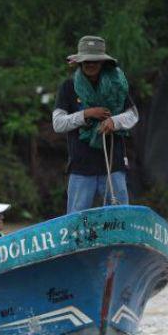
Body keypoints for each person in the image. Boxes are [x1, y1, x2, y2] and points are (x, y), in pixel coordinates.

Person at [53, 35, 139, 213]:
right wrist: (86, 114)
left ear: (103, 63)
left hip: (112, 165)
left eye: (94, 61)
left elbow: (133, 115)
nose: (90, 65)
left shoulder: (117, 86)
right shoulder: (68, 87)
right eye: (86, 61)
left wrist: (113, 121)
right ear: (79, 63)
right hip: (81, 166)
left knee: (119, 217)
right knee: (76, 219)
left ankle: (119, 243)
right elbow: (58, 123)